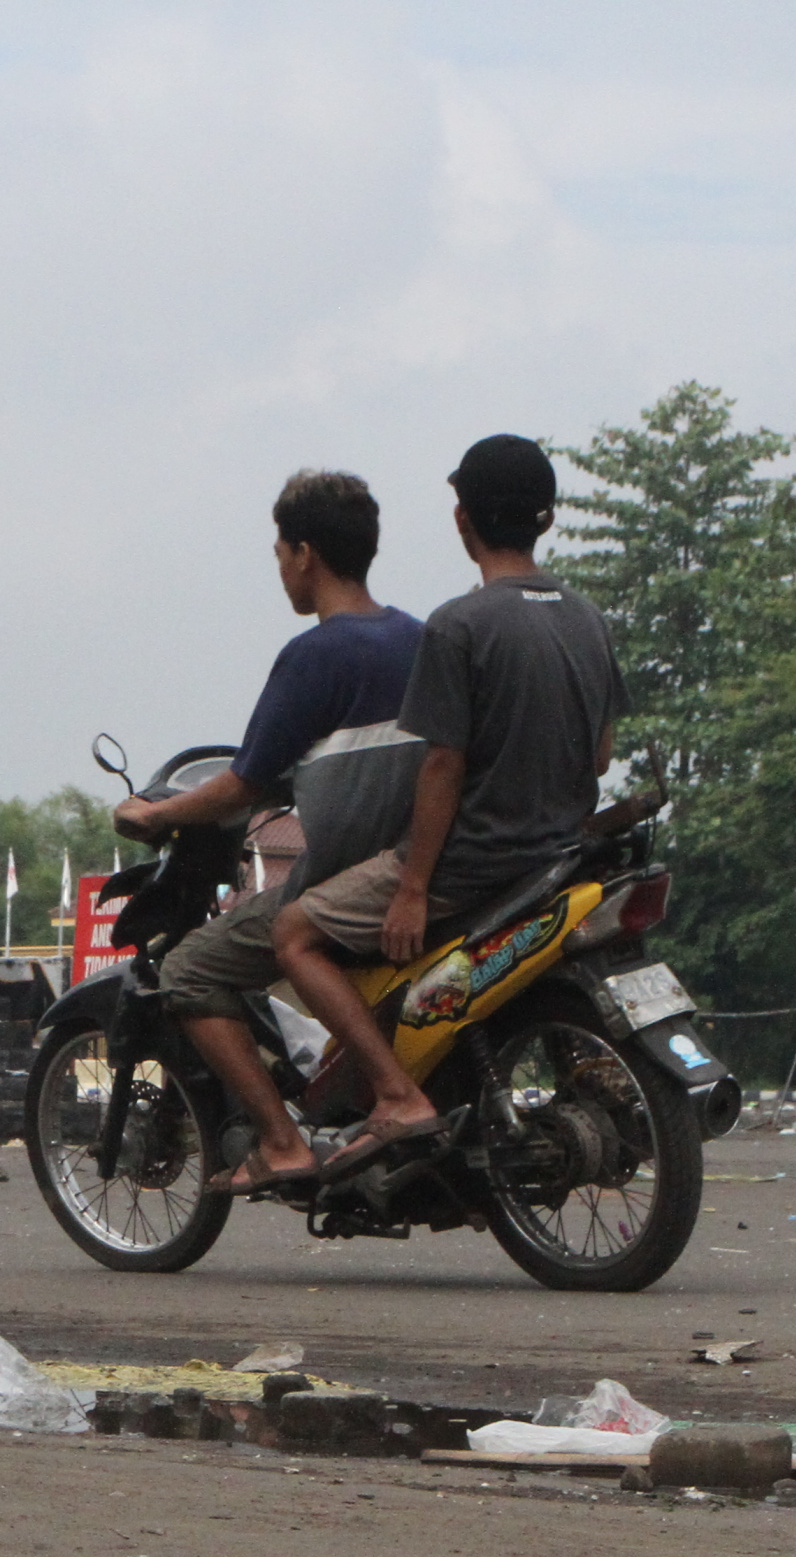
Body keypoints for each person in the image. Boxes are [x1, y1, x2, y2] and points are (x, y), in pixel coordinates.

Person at [290, 435, 629, 1172]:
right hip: (558, 859)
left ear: (462, 519)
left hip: (471, 867)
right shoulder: (588, 618)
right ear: (545, 519)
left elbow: (442, 765)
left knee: (292, 934)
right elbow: (600, 756)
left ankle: (393, 1093)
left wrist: (413, 888)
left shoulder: (459, 624)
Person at [114, 468, 425, 1194]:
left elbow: (245, 782)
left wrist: (154, 814)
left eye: (280, 553)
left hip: (346, 882)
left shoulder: (314, 656)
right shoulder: (419, 640)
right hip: (420, 867)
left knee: (190, 969)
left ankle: (282, 1143)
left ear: (305, 554)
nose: (281, 569)